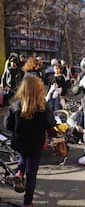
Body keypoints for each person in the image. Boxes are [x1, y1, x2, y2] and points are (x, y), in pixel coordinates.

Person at [5, 75, 56, 207]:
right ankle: (27, 202)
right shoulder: (44, 106)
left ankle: (19, 173)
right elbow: (49, 124)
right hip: (36, 143)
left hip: (19, 141)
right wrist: (52, 136)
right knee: (32, 173)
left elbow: (8, 125)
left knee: (23, 156)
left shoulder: (16, 105)